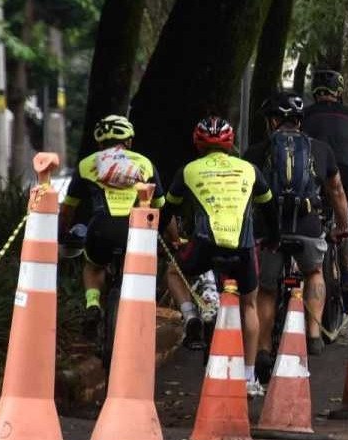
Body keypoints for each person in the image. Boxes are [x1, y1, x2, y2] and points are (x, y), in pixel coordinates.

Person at [162, 116, 277, 397]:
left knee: (173, 272)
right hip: (243, 246)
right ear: (231, 143)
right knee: (249, 305)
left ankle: (191, 317)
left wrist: (163, 233)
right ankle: (249, 378)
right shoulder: (249, 169)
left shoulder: (188, 171)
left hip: (205, 244)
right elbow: (269, 207)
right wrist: (275, 237)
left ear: (198, 143)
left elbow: (168, 210)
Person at [244, 91, 348, 381]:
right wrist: (343, 225)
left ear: (275, 120)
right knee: (314, 271)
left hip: (271, 231)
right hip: (308, 227)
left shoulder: (258, 150)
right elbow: (337, 191)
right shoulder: (321, 149)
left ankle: (264, 347)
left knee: (266, 289)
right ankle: (314, 332)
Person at [59, 115, 166, 342]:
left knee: (93, 266)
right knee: (137, 273)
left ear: (99, 143)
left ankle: (93, 304)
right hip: (134, 233)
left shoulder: (87, 164)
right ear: (128, 141)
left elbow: (68, 208)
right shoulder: (144, 163)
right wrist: (172, 238)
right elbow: (159, 207)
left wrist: (61, 232)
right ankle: (136, 316)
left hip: (100, 229)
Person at [302, 69, 348, 226]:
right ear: (339, 91)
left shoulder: (304, 114)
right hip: (345, 172)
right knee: (346, 225)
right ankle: (346, 239)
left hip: (312, 171)